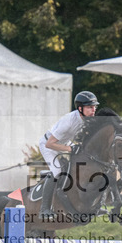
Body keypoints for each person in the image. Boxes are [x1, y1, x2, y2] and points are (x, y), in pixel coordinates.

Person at [38, 90, 99, 219]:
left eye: (94, 107)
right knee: (57, 171)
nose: (93, 110)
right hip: (48, 145)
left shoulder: (87, 119)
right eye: (90, 107)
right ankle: (44, 209)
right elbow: (50, 144)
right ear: (80, 108)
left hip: (64, 143)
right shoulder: (69, 121)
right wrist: (70, 149)